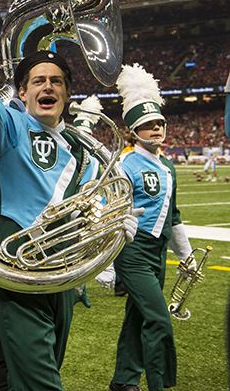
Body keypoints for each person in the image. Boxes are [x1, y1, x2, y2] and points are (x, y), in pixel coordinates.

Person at [0, 0, 137, 390]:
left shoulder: (83, 147)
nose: (48, 87)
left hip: (65, 272)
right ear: (22, 91)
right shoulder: (7, 128)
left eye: (57, 81)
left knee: (33, 373)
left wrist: (111, 228)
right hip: (20, 265)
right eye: (38, 81)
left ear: (66, 94)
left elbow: (86, 205)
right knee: (41, 382)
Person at [109, 64, 194, 391]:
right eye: (147, 123)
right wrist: (105, 264)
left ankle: (124, 381)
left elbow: (173, 215)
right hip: (133, 251)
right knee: (158, 320)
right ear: (132, 129)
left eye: (159, 121)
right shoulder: (125, 164)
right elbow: (109, 211)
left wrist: (184, 255)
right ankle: (161, 385)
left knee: (137, 318)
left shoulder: (169, 165)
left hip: (158, 252)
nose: (156, 127)